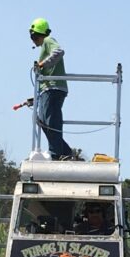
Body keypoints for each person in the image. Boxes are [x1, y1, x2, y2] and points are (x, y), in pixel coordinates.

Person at [29, 17, 74, 161]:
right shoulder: (44, 46)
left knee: (50, 120)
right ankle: (65, 151)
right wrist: (33, 98)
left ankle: (56, 153)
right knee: (42, 119)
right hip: (47, 89)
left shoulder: (48, 41)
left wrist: (42, 65)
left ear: (36, 34)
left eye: (33, 36)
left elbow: (59, 52)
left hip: (53, 87)